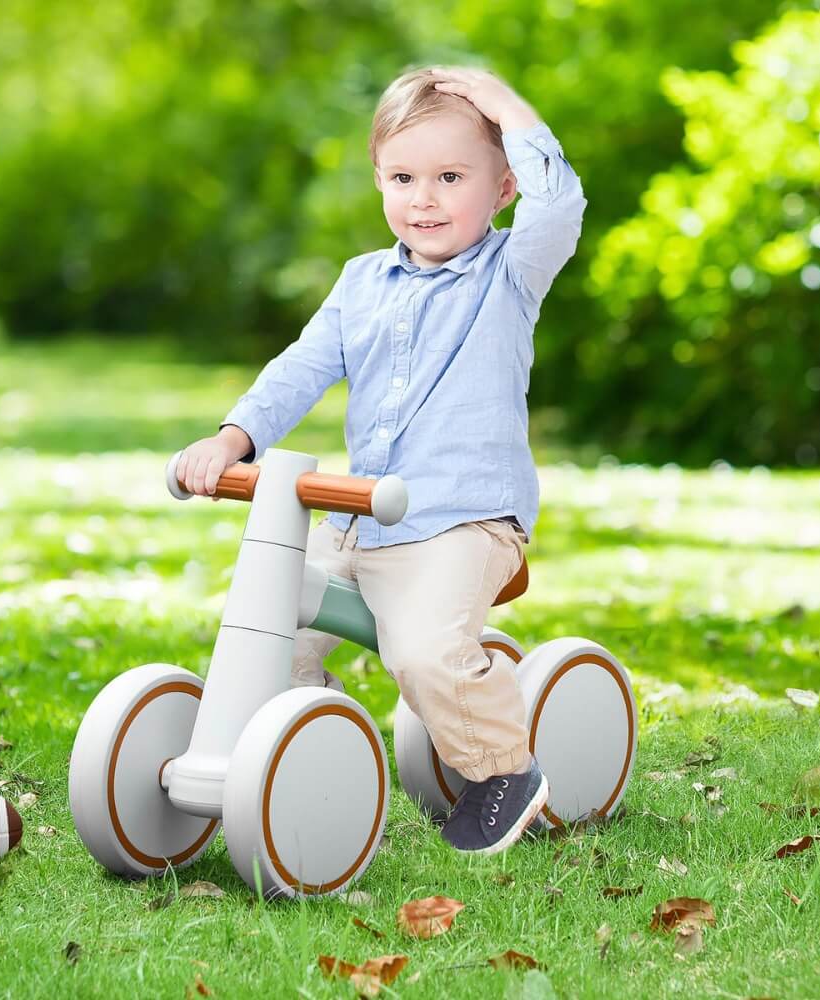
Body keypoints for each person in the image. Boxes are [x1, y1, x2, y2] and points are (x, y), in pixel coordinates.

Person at [176, 65, 587, 855]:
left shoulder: (510, 273)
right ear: (378, 180)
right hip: (363, 520)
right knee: (266, 635)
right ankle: (312, 744)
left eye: (450, 177)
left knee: (423, 651)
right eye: (403, 177)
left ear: (502, 188)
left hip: (462, 524)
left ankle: (506, 770)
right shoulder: (361, 282)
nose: (424, 197)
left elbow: (560, 199)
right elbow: (300, 368)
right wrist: (233, 439)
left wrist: (498, 102)